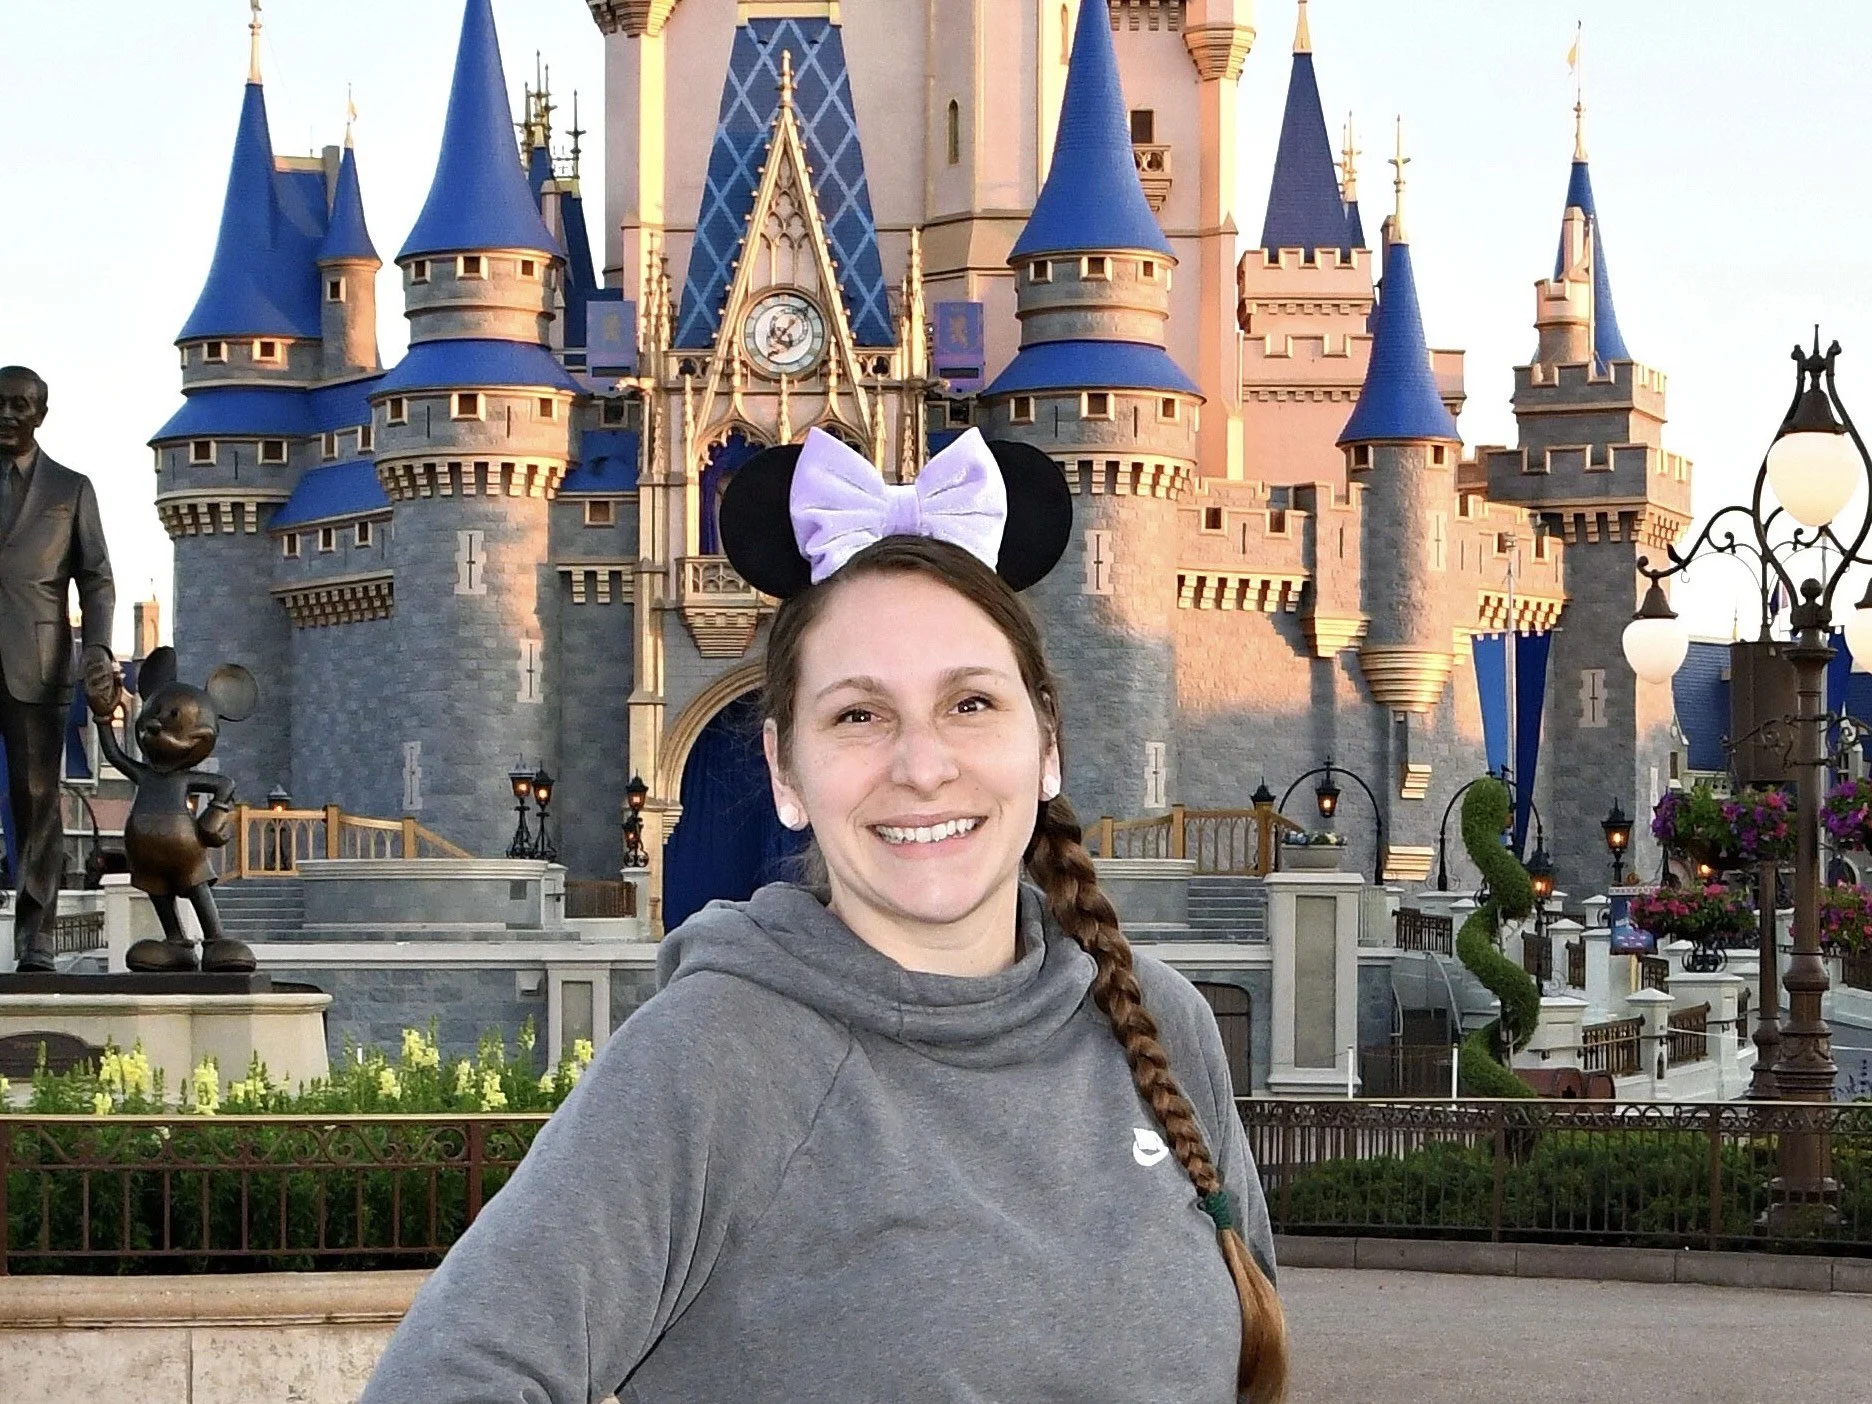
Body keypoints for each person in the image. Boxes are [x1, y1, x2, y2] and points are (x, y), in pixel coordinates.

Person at [362, 428, 1287, 1403]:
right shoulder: (716, 1058)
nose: (922, 766)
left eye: (971, 703)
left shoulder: (1161, 1022)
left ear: (1047, 743)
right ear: (786, 773)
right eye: (858, 715)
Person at [0, 365, 119, 972]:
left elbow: (96, 579)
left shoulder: (71, 489)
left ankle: (37, 936)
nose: (8, 414)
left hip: (39, 661)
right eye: (0, 403)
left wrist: (97, 649)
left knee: (37, 800)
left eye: (20, 405)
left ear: (41, 415)